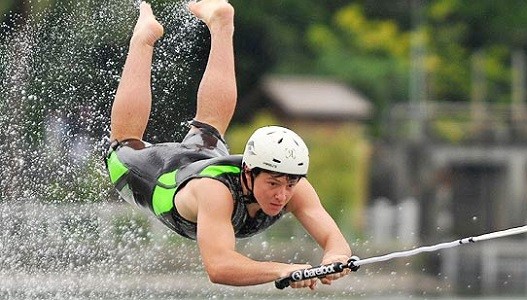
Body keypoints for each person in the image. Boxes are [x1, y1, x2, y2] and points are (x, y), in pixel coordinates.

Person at [105, 0, 352, 289]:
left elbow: (335, 242)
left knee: (209, 125)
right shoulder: (215, 192)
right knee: (122, 143)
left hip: (204, 155)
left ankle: (222, 24)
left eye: (289, 184)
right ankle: (144, 38)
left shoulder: (293, 186)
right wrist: (282, 270)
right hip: (163, 176)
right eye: (273, 184)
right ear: (248, 172)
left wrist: (335, 258)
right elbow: (219, 267)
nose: (282, 195)